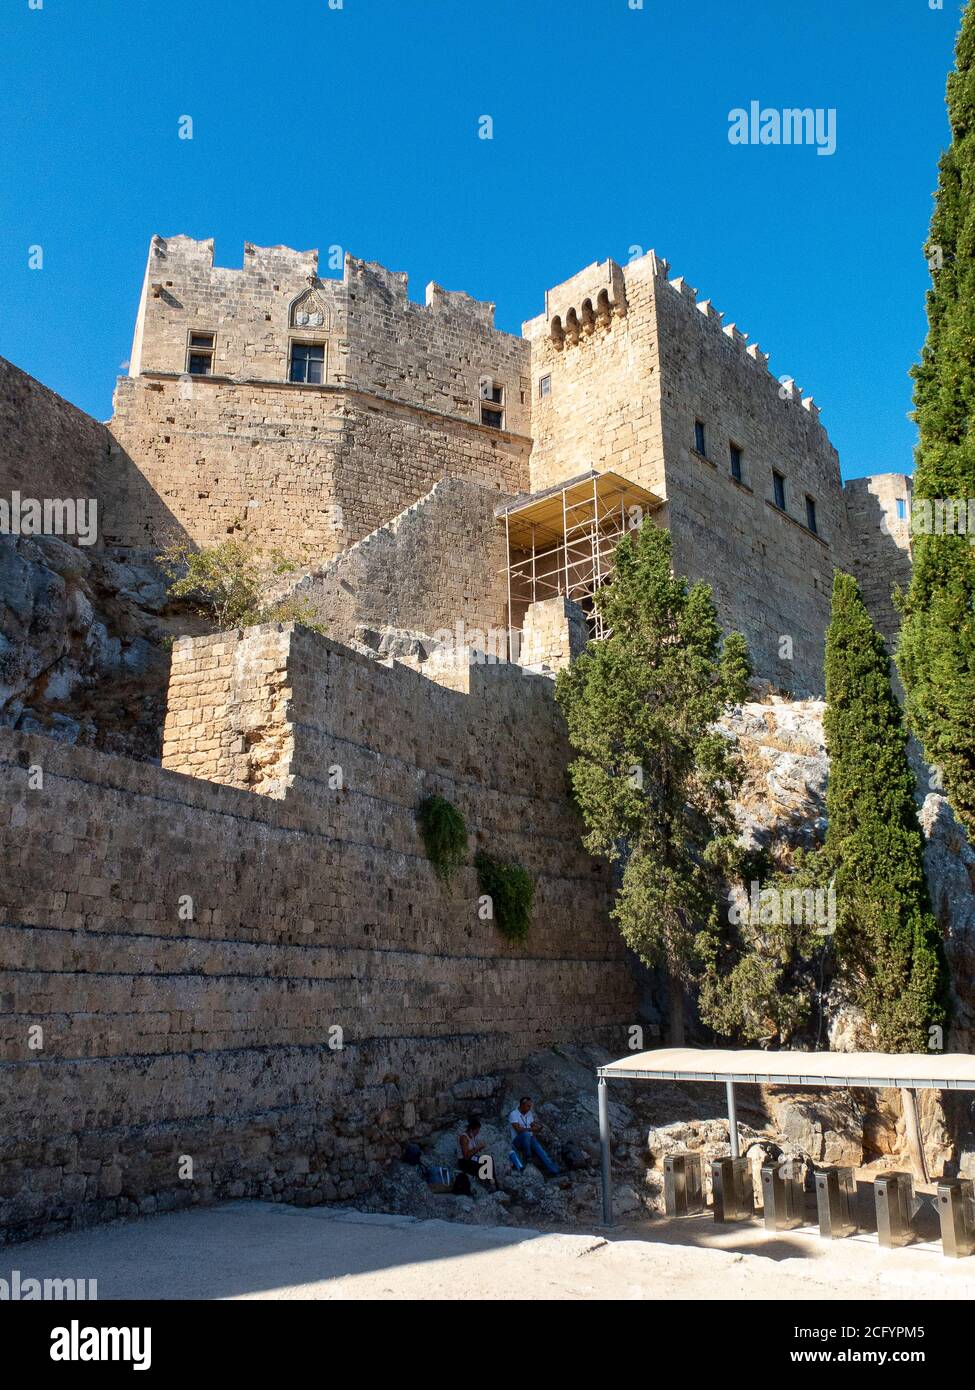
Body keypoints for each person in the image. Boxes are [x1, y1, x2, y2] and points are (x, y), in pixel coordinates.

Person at [508, 1095, 560, 1177]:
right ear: (522, 1105)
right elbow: (518, 1129)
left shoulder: (529, 1114)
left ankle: (555, 1171)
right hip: (517, 1140)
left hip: (529, 1138)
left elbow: (532, 1124)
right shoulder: (513, 1114)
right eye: (527, 1106)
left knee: (542, 1152)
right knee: (526, 1134)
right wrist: (532, 1129)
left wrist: (537, 1127)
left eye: (530, 1106)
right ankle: (528, 1156)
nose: (529, 1108)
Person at [455, 1112, 495, 1192]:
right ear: (471, 1129)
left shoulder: (472, 1136)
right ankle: (490, 1184)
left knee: (489, 1160)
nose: (478, 1132)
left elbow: (472, 1151)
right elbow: (466, 1156)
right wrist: (478, 1147)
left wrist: (480, 1148)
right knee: (484, 1165)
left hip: (471, 1159)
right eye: (477, 1130)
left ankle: (492, 1183)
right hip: (464, 1162)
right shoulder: (464, 1138)